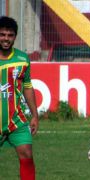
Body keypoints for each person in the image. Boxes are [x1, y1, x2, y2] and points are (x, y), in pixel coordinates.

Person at [0, 16, 39, 180]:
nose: (6, 39)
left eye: (10, 35)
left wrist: (35, 115)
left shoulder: (23, 59)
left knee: (27, 155)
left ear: (15, 37)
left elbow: (27, 87)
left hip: (17, 119)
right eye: (2, 34)